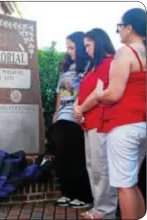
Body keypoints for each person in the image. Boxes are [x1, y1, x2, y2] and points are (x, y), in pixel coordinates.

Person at [95, 8, 146, 219]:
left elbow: (113, 94)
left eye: (120, 27)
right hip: (142, 122)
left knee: (124, 185)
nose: (118, 32)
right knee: (131, 182)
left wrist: (99, 93)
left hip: (125, 124)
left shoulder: (126, 52)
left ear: (129, 27)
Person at [73, 28, 118, 219]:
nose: (87, 50)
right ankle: (99, 207)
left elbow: (98, 94)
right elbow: (83, 91)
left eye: (88, 45)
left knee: (101, 168)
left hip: (101, 122)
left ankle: (106, 211)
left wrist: (81, 108)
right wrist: (77, 108)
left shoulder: (110, 63)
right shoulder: (93, 66)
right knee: (93, 166)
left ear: (98, 43)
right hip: (88, 122)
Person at [51, 31, 93, 208]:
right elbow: (60, 94)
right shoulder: (66, 69)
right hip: (62, 116)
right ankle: (67, 193)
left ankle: (82, 196)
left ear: (81, 48)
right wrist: (55, 113)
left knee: (77, 158)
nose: (69, 51)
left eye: (72, 47)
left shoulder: (89, 67)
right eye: (67, 48)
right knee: (62, 157)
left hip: (78, 118)